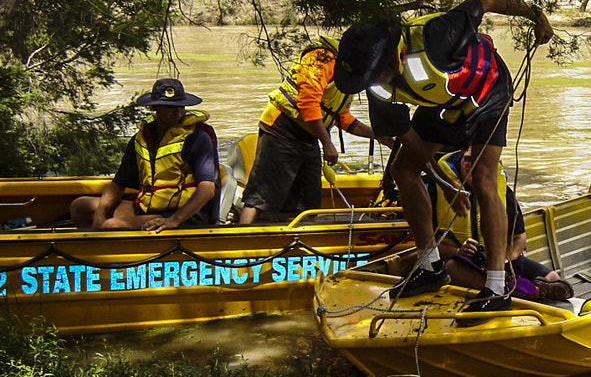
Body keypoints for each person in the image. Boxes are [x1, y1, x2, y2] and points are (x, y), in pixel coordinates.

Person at [333, 0, 554, 321]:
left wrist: (536, 14)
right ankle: (430, 266)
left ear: (392, 55)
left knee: (482, 177)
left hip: (487, 90)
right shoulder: (375, 84)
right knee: (403, 170)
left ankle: (496, 287)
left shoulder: (437, 35)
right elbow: (407, 141)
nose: (374, 81)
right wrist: (443, 182)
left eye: (376, 73)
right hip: (446, 104)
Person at [238, 36, 386, 224]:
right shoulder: (321, 59)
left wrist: (380, 135)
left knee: (309, 202)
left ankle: (299, 244)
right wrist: (327, 144)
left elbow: (343, 118)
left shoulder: (349, 74)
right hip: (280, 131)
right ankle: (242, 238)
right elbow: (308, 104)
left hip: (309, 138)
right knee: (260, 197)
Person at [70, 78, 220, 232]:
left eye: (180, 106)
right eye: (169, 107)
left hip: (185, 215)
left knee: (112, 226)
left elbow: (207, 189)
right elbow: (118, 184)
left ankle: (112, 251)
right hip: (149, 209)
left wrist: (174, 220)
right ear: (154, 107)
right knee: (80, 206)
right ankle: (94, 251)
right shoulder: (142, 138)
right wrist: (100, 217)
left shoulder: (197, 138)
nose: (178, 112)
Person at [430, 148, 573, 302]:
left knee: (552, 277)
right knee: (452, 269)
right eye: (468, 159)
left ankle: (537, 287)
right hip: (460, 261)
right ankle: (534, 293)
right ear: (460, 159)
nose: (472, 165)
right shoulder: (438, 191)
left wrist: (505, 259)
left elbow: (519, 238)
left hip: (499, 259)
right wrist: (458, 251)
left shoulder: (503, 191)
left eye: (480, 160)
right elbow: (426, 245)